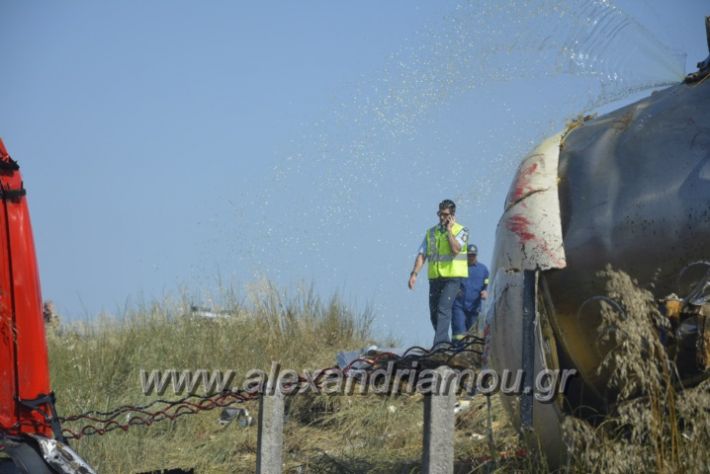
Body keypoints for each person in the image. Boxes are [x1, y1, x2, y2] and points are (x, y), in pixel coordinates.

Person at [408, 199, 469, 347]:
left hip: (453, 278)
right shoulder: (431, 233)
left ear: (452, 215)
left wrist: (449, 231)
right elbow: (422, 254)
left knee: (443, 308)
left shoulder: (463, 231)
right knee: (434, 313)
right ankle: (445, 343)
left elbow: (455, 250)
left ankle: (440, 345)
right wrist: (414, 274)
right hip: (435, 278)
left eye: (445, 215)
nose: (442, 217)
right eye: (440, 214)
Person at [451, 244, 489, 343]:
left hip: (474, 307)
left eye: (473, 255)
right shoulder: (458, 267)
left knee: (473, 334)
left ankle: (470, 354)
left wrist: (486, 291)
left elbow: (488, 284)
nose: (471, 257)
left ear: (476, 255)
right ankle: (457, 353)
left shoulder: (483, 269)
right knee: (459, 332)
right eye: (469, 255)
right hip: (459, 305)